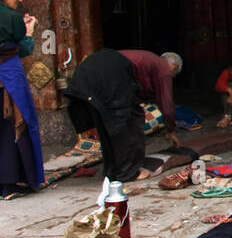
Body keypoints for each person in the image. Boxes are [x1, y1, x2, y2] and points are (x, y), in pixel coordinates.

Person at [64, 48, 181, 182]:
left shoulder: (147, 59)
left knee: (106, 123)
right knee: (131, 122)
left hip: (87, 72)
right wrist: (170, 129)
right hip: (109, 74)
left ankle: (112, 171)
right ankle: (128, 173)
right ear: (173, 67)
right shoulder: (163, 67)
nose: (169, 78)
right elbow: (166, 103)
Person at [0, 0, 43, 197]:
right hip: (8, 75)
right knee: (15, 123)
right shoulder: (11, 17)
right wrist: (29, 32)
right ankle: (9, 184)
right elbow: (23, 48)